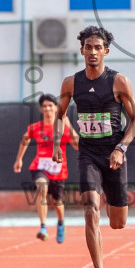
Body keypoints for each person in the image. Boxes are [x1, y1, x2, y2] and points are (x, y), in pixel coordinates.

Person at [54, 26, 135, 268]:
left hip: (114, 154)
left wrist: (121, 148)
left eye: (97, 47)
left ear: (106, 51)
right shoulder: (71, 83)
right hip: (88, 153)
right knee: (90, 207)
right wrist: (61, 140)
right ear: (81, 50)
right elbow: (60, 115)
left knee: (118, 223)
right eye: (88, 47)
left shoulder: (119, 82)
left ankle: (112, 205)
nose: (92, 52)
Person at [13, 93, 79, 243]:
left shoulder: (62, 128)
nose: (48, 109)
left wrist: (68, 125)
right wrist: (19, 159)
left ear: (56, 108)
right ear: (41, 109)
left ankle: (61, 222)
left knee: (57, 202)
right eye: (44, 106)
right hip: (40, 166)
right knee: (41, 187)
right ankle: (43, 227)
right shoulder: (36, 127)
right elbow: (25, 139)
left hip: (58, 169)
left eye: (50, 106)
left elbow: (77, 145)